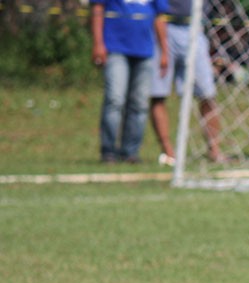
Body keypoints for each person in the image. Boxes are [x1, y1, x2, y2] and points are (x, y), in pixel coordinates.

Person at [90, 0, 169, 163]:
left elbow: (159, 17)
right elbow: (98, 8)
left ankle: (130, 153)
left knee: (139, 104)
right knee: (115, 99)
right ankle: (108, 151)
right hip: (115, 48)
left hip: (145, 51)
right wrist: (98, 43)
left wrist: (164, 51)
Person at [148, 0, 223, 166]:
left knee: (207, 93)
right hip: (164, 25)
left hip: (195, 26)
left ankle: (214, 150)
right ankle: (168, 152)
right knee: (158, 93)